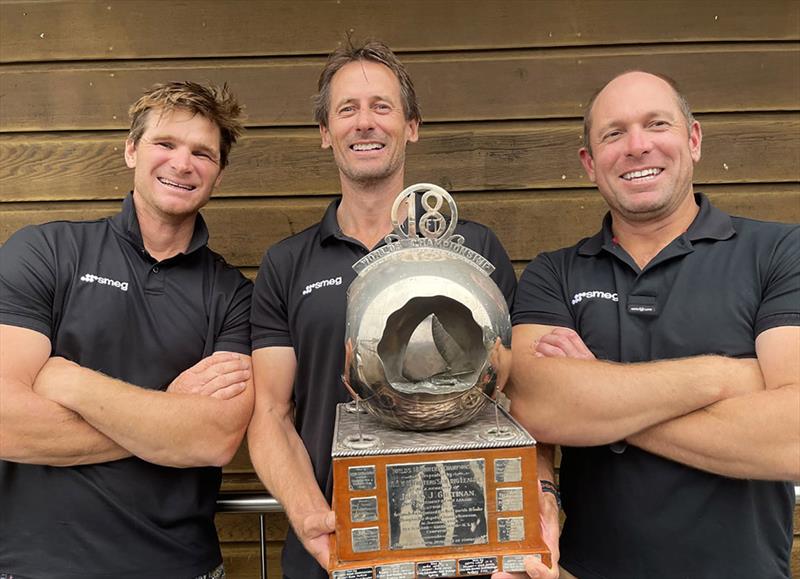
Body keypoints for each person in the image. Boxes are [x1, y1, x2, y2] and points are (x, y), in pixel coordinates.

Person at [246, 39, 558, 579]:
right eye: (347, 109)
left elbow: (521, 398)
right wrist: (308, 516)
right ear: (326, 133)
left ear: (411, 125)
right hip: (337, 546)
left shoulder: (477, 252)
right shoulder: (286, 263)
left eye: (382, 107)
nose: (365, 122)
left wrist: (543, 494)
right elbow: (271, 413)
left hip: (470, 551)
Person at [509, 70, 799, 579]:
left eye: (656, 124)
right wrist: (725, 376)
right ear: (589, 163)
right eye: (613, 133)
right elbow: (535, 404)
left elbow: (792, 439)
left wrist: (597, 400)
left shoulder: (778, 253)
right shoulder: (553, 273)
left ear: (693, 139)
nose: (637, 146)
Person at [0, 81, 254, 578]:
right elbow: (6, 423)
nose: (182, 164)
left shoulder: (233, 295)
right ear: (132, 150)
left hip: (180, 568)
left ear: (218, 175)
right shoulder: (46, 253)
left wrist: (71, 381)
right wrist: (167, 417)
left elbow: (213, 439)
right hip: (36, 567)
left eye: (202, 153)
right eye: (166, 144)